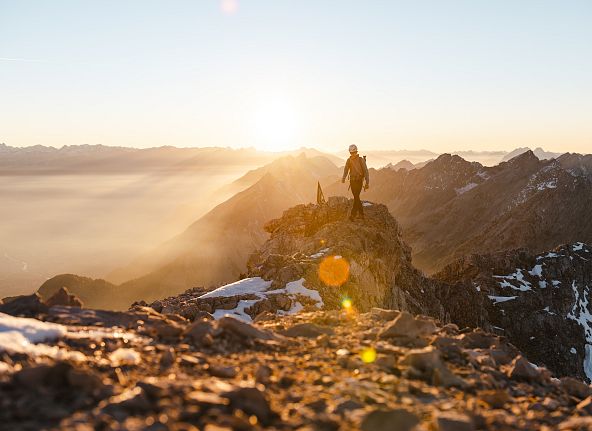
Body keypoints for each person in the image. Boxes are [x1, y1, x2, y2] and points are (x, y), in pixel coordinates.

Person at [341, 144, 369, 220]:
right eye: (351, 153)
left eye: (354, 152)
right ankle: (361, 214)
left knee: (356, 197)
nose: (352, 154)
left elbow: (366, 171)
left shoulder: (361, 160)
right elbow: (346, 170)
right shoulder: (349, 160)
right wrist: (343, 178)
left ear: (356, 152)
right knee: (356, 197)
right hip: (352, 181)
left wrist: (367, 183)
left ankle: (353, 215)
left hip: (359, 181)